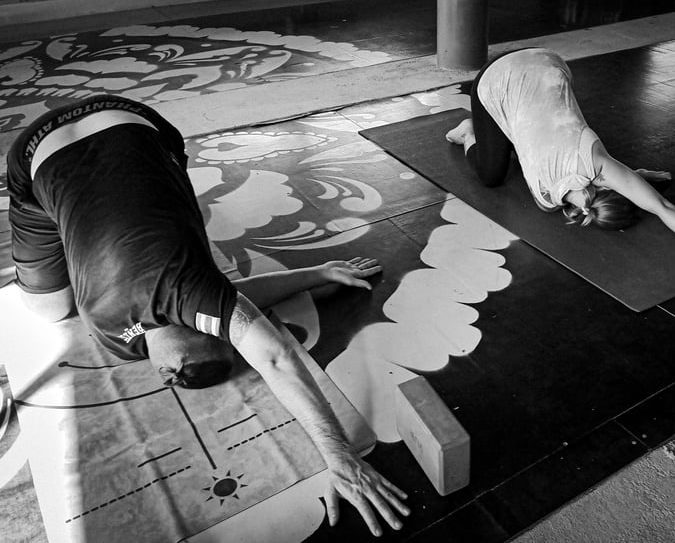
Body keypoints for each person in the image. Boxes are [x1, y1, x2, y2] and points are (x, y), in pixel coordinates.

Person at [7, 94, 409, 537]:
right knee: (54, 310)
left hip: (117, 129)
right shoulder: (120, 331)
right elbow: (267, 348)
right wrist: (340, 457)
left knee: (47, 309)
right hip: (70, 143)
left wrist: (315, 272)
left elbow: (232, 309)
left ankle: (78, 214)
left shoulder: (197, 298)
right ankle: (77, 215)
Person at [446, 47, 675, 283]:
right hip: (494, 80)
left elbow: (662, 207)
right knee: (490, 175)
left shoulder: (602, 166)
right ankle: (469, 130)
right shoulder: (548, 199)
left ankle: (483, 132)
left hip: (548, 62)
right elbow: (661, 208)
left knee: (511, 146)